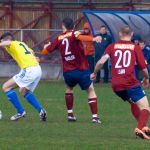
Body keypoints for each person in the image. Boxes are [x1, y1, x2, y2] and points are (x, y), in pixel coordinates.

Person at [91, 26, 150, 139]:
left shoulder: (112, 46)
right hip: (130, 82)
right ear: (131, 34)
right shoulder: (135, 48)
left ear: (119, 34)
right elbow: (143, 68)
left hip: (116, 85)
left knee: (133, 103)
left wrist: (94, 73)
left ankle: (143, 127)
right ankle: (140, 127)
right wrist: (146, 79)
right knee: (145, 108)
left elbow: (101, 62)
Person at [41, 17, 101, 123]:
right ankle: (95, 117)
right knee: (90, 90)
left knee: (69, 88)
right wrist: (93, 39)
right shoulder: (74, 33)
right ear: (73, 26)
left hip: (68, 71)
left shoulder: (59, 38)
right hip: (81, 69)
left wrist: (46, 47)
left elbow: (44, 52)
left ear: (63, 26)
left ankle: (70, 115)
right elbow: (81, 37)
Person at [0, 32, 47, 121]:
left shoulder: (12, 44)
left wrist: (3, 43)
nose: (3, 45)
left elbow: (9, 43)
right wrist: (35, 58)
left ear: (7, 40)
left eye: (2, 42)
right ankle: (41, 111)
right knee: (23, 91)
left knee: (6, 87)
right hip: (37, 69)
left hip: (29, 70)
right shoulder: (21, 44)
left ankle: (20, 112)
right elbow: (33, 53)